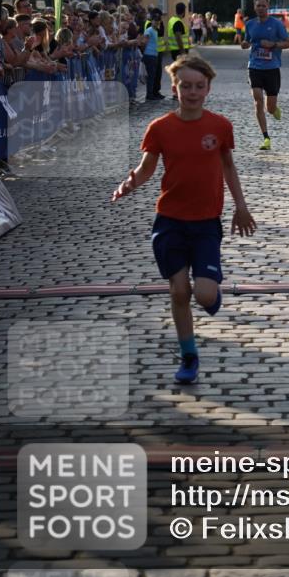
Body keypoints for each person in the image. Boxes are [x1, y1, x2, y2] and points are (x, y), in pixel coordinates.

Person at [111, 54, 256, 384]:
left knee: (204, 296)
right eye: (185, 86)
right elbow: (147, 168)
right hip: (170, 221)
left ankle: (210, 294)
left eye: (199, 86)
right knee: (179, 291)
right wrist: (128, 184)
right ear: (174, 88)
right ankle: (189, 355)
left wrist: (241, 207)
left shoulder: (220, 126)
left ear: (208, 88)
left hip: (206, 223)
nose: (192, 92)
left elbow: (229, 167)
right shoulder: (159, 128)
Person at [241, 0, 289, 151]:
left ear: (267, 7)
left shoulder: (276, 24)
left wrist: (273, 44)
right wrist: (245, 44)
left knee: (269, 107)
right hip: (254, 66)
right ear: (254, 7)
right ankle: (266, 137)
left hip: (272, 68)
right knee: (257, 100)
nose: (261, 8)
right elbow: (247, 41)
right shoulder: (249, 24)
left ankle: (274, 109)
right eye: (258, 6)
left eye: (263, 5)